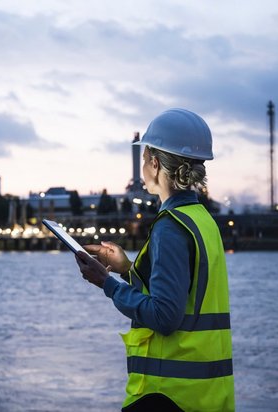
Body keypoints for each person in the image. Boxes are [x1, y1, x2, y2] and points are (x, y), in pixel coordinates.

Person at [75, 108, 235, 412]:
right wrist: (127, 270)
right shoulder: (202, 220)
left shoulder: (170, 225)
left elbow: (165, 316)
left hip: (166, 396)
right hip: (207, 396)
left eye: (146, 155)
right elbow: (187, 296)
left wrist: (107, 282)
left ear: (154, 163)